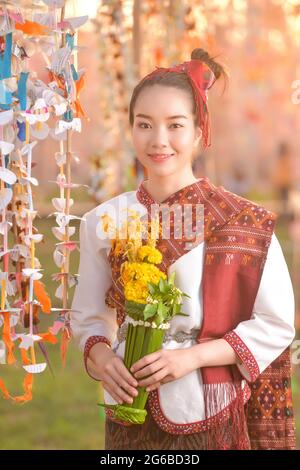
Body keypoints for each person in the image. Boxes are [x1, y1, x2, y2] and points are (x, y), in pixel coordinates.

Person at [70, 49, 296, 450]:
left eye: (175, 125)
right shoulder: (103, 221)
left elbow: (276, 324)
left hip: (207, 411)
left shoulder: (242, 220)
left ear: (198, 132)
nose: (159, 141)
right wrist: (103, 360)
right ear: (131, 129)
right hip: (127, 413)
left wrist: (191, 358)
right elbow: (90, 318)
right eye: (144, 125)